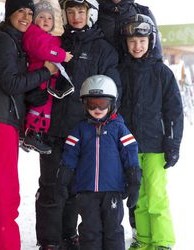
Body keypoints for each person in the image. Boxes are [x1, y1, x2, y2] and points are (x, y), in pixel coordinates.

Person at [31, 0, 121, 249]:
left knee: (76, 190)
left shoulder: (104, 49)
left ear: (90, 13)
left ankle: (69, 236)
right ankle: (50, 242)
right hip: (54, 131)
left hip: (86, 134)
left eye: (81, 11)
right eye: (71, 12)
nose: (76, 16)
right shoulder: (57, 44)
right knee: (52, 188)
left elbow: (113, 92)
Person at [0, 0, 58, 249]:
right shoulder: (4, 41)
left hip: (0, 120)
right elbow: (11, 84)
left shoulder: (13, 41)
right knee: (6, 195)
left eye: (30, 12)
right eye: (21, 11)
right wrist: (46, 71)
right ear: (10, 13)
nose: (26, 16)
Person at [118, 14, 184, 250]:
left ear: (151, 41)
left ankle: (162, 241)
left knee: (155, 195)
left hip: (155, 146)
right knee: (138, 197)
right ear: (126, 43)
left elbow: (174, 111)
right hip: (129, 146)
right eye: (133, 41)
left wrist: (172, 144)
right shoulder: (121, 71)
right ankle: (144, 239)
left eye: (142, 41)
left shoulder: (162, 72)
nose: (137, 46)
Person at [57, 75, 142, 250]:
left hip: (112, 190)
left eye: (102, 103)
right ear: (84, 104)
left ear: (112, 104)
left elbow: (130, 153)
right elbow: (70, 153)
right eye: (91, 103)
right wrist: (64, 176)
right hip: (86, 191)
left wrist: (133, 181)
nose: (97, 108)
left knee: (113, 230)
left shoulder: (119, 128)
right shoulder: (80, 130)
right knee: (90, 231)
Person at [22, 0, 73, 154]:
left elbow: (51, 43)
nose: (46, 20)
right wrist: (62, 55)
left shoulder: (44, 36)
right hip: (39, 80)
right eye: (41, 17)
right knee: (39, 106)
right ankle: (32, 133)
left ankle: (36, 134)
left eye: (49, 18)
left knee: (45, 107)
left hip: (46, 80)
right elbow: (45, 50)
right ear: (34, 20)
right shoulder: (33, 34)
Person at [97, 0, 162, 60]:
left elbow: (156, 54)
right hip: (102, 69)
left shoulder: (143, 12)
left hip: (134, 69)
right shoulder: (93, 12)